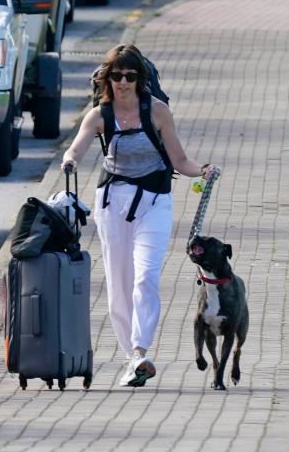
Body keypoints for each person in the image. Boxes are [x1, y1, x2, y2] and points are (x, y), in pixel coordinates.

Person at [61, 43, 217, 388]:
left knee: (145, 276)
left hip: (153, 201)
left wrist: (202, 170)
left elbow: (179, 160)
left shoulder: (158, 112)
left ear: (140, 79)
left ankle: (139, 347)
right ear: (108, 79)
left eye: (130, 76)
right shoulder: (100, 115)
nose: (123, 82)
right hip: (112, 202)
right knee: (118, 281)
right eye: (116, 76)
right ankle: (132, 360)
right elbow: (79, 144)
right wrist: (70, 159)